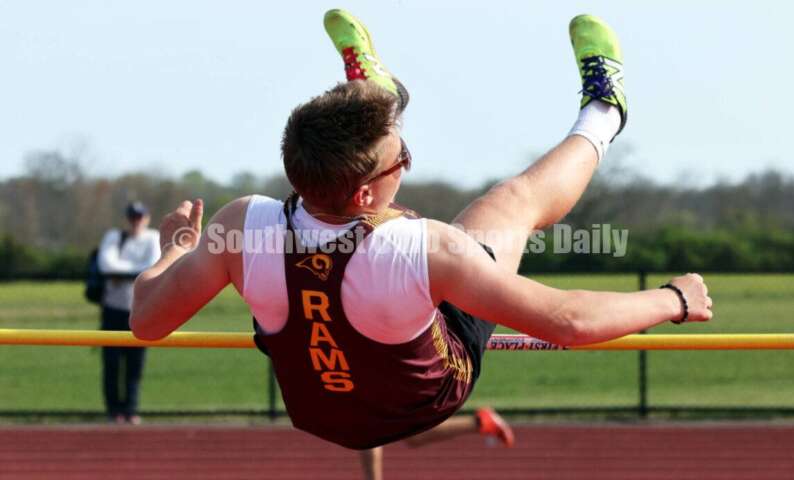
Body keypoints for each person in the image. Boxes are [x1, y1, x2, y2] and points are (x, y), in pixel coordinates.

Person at [130, 8, 713, 479]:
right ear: (363, 191)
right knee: (512, 204)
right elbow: (565, 320)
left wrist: (175, 248)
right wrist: (674, 299)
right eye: (400, 157)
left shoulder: (240, 225)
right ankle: (605, 111)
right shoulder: (423, 248)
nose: (407, 162)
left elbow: (148, 321)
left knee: (397, 245)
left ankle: (377, 95)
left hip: (316, 410)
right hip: (424, 398)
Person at [97, 201, 160, 424]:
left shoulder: (153, 238)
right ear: (127, 218)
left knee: (136, 363)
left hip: (140, 308)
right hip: (113, 309)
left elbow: (153, 264)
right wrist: (137, 271)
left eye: (140, 217)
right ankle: (114, 411)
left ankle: (131, 409)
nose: (136, 221)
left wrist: (123, 271)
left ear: (147, 218)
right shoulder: (114, 236)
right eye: (133, 217)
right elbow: (106, 265)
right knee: (111, 363)